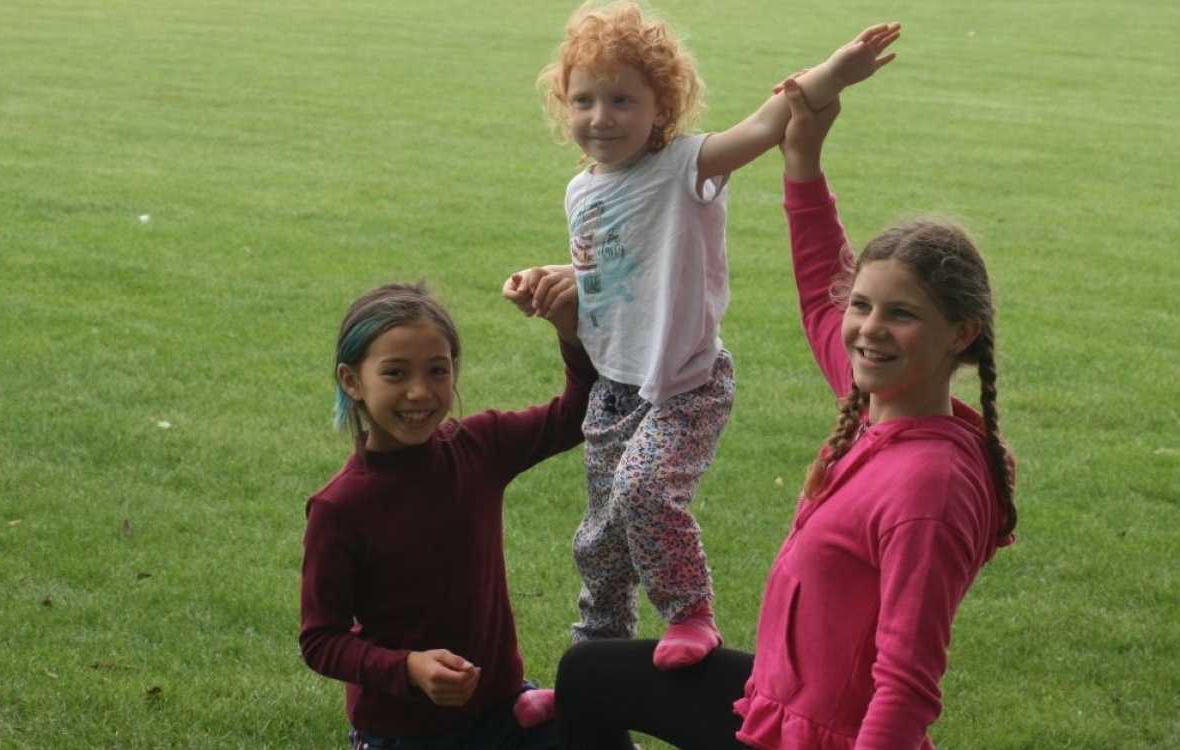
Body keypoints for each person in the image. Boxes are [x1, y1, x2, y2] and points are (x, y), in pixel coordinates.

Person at [549, 72, 1019, 749]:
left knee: (592, 680)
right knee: (587, 676)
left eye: (902, 315)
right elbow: (821, 285)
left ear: (960, 334)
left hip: (810, 737)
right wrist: (803, 163)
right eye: (863, 306)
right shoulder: (875, 400)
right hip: (775, 700)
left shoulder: (929, 489)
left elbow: (907, 686)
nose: (869, 329)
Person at [518, 0, 903, 674]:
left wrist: (834, 73)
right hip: (615, 390)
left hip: (685, 384)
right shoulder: (581, 190)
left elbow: (765, 122)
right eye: (584, 100)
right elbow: (613, 267)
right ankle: (592, 666)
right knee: (601, 542)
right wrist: (558, 280)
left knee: (644, 491)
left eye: (622, 100)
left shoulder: (685, 166)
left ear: (660, 106)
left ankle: (690, 612)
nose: (601, 117)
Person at [299, 278, 596, 748]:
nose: (420, 392)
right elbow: (321, 640)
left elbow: (576, 414)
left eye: (437, 371)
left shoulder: (479, 446)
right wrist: (409, 667)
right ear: (351, 380)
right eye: (395, 373)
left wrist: (570, 331)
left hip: (503, 710)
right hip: (404, 733)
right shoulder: (339, 508)